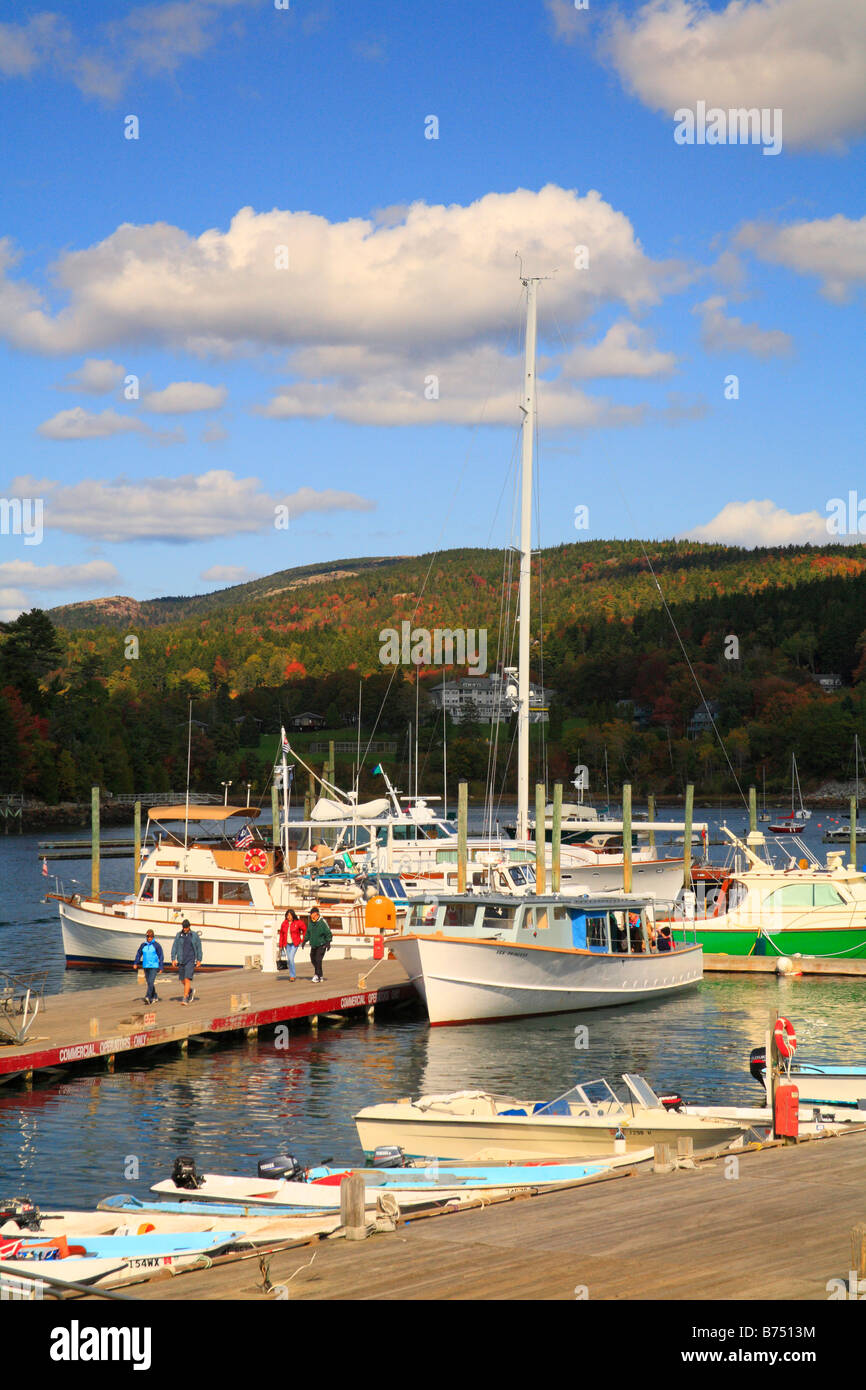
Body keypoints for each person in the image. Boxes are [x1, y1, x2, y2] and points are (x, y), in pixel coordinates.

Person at [171, 919, 202, 1004]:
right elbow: (174, 947)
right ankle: (190, 990)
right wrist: (173, 958)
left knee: (187, 979)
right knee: (182, 980)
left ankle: (185, 998)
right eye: (183, 927)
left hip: (190, 960)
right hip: (181, 960)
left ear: (189, 926)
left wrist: (199, 959)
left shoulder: (194, 935)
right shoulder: (178, 935)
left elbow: (199, 947)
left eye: (186, 927)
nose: (185, 929)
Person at [133, 929, 164, 1004]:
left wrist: (161, 967)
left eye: (150, 936)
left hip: (154, 966)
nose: (149, 938)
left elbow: (161, 956)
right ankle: (155, 996)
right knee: (149, 982)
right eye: (148, 936)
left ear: (153, 937)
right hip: (146, 966)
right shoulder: (143, 945)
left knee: (151, 981)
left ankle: (148, 997)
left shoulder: (156, 945)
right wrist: (135, 963)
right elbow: (139, 954)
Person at [278, 909, 306, 981]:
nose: (288, 917)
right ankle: (292, 975)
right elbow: (281, 934)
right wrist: (280, 944)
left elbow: (305, 929)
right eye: (287, 915)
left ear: (293, 915)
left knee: (291, 958)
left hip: (294, 943)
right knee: (289, 960)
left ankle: (292, 975)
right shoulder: (284, 923)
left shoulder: (298, 922)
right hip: (287, 944)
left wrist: (303, 939)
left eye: (290, 915)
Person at [306, 906, 332, 983]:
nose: (310, 915)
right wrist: (305, 940)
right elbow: (308, 932)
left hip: (322, 944)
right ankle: (320, 975)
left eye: (311, 913)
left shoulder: (322, 921)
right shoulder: (311, 922)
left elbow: (328, 932)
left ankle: (316, 975)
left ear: (315, 914)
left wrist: (328, 942)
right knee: (313, 959)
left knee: (318, 959)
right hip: (314, 944)